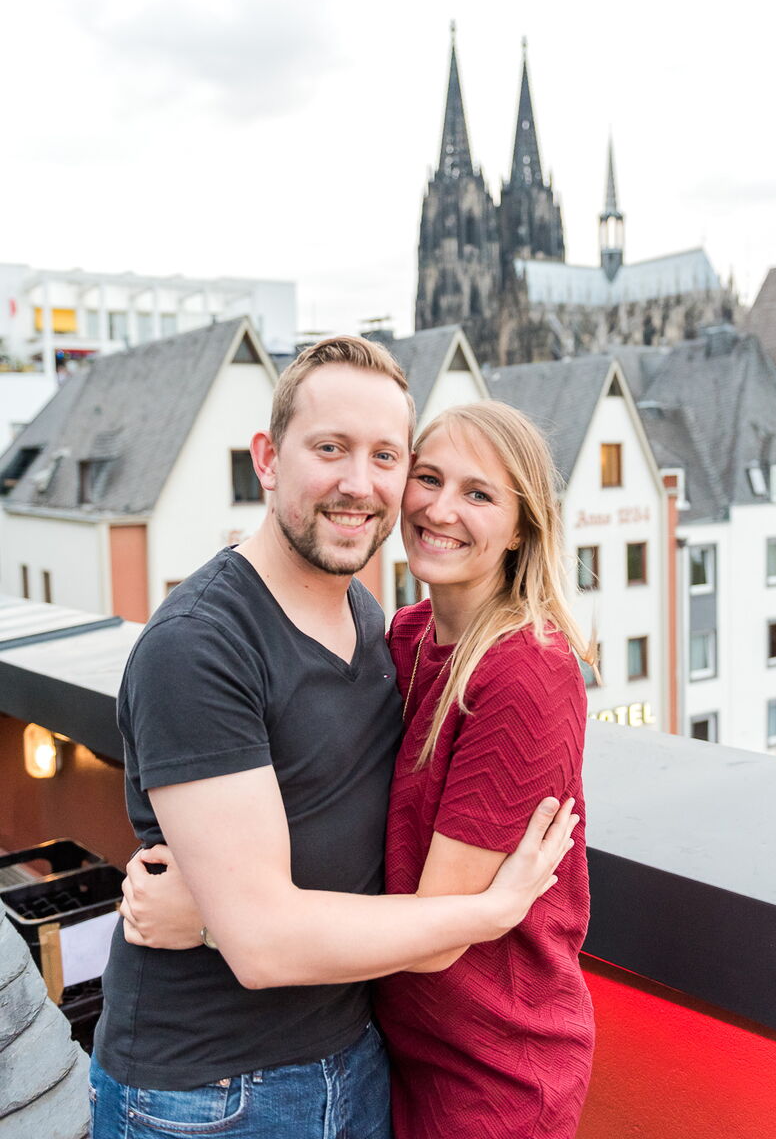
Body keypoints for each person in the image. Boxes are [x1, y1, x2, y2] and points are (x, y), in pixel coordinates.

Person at [90, 336, 578, 1139]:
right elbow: (263, 947)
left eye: (385, 456)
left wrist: (209, 917)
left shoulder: (368, 620)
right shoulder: (199, 645)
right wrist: (491, 911)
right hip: (214, 1090)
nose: (359, 483)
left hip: (358, 1056)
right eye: (329, 448)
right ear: (267, 460)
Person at [374, 401, 595, 1138]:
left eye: (478, 493)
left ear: (522, 527)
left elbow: (435, 935)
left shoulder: (526, 671)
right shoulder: (406, 637)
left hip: (493, 1075)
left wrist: (225, 922)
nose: (440, 509)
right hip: (395, 1043)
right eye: (429, 478)